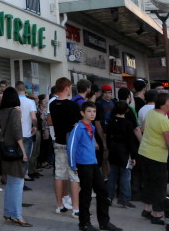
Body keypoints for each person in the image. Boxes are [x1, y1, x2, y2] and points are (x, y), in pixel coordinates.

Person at [68, 102, 122, 231]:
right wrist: (73, 165)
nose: (92, 114)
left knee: (102, 191)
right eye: (89, 111)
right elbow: (71, 147)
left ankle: (104, 222)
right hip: (83, 164)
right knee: (86, 193)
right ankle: (84, 223)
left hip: (92, 162)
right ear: (82, 113)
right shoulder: (78, 128)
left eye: (94, 111)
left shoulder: (91, 126)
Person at [137, 92, 169, 226]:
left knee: (149, 183)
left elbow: (143, 128)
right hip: (157, 156)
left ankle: (147, 209)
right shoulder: (163, 120)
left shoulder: (151, 113)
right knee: (159, 186)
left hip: (144, 152)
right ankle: (157, 214)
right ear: (163, 104)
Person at [0, 86, 32, 227]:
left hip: (5, 150)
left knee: (11, 183)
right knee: (18, 183)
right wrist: (23, 151)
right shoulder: (15, 112)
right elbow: (17, 131)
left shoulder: (2, 111)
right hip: (15, 150)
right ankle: (17, 215)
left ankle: (8, 212)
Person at [48, 77, 81, 217]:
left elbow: (50, 121)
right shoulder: (72, 105)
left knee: (59, 175)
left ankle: (59, 205)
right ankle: (76, 208)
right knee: (74, 176)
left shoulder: (52, 104)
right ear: (67, 87)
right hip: (71, 144)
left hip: (59, 141)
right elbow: (77, 124)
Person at [105, 100, 137, 209]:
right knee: (125, 176)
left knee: (112, 175)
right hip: (124, 152)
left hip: (113, 150)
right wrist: (133, 156)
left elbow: (108, 137)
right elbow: (131, 141)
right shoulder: (128, 123)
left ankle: (109, 197)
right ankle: (125, 199)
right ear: (127, 110)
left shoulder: (111, 121)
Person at [15, 81, 37, 181]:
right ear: (25, 90)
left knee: (15, 158)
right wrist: (35, 126)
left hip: (14, 134)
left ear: (16, 89)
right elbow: (33, 117)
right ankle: (22, 179)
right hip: (26, 133)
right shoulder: (30, 102)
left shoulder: (13, 101)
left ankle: (15, 179)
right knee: (25, 157)